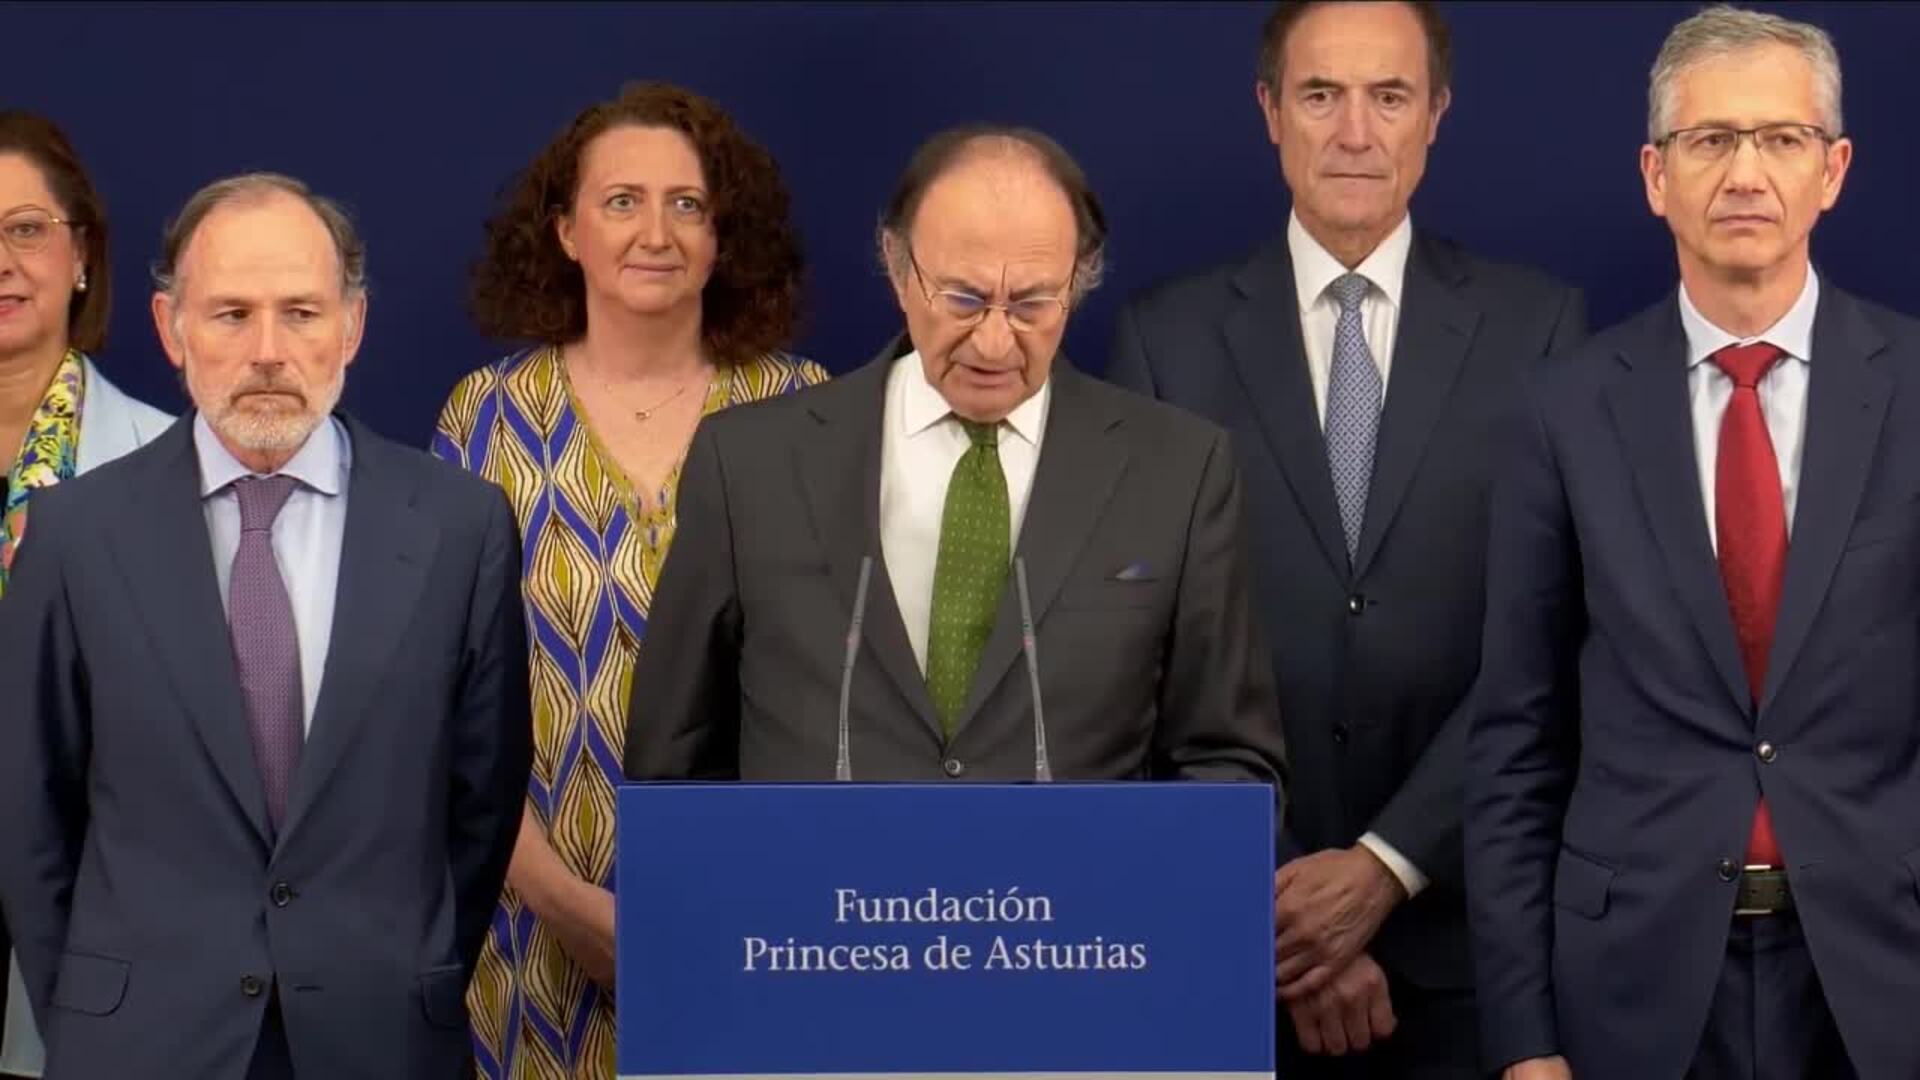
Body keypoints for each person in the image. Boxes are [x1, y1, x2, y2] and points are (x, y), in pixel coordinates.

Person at [1106, 3, 1583, 1075]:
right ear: (1271, 111)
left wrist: (1384, 866)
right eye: (1321, 94)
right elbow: (1139, 654)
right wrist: (1290, 918)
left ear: (1436, 114)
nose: (1355, 132)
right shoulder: (1164, 338)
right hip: (1235, 956)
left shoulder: (1540, 330)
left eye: (1390, 96)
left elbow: (1553, 642)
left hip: (1469, 956)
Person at [1466, 6, 1919, 1078]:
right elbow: (1517, 741)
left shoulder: (1914, 389)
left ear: (1833, 170)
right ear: (1656, 176)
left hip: (1881, 978)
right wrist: (1525, 1044)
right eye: (1711, 139)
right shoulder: (1564, 411)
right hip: (1634, 985)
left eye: (1782, 139)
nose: (1745, 173)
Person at [0, 172, 532, 1079]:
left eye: (302, 313)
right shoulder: (76, 533)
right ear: (171, 328)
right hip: (136, 1046)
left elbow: (480, 808)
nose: (269, 351)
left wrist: (399, 971)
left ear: (352, 326)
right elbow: (31, 814)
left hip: (380, 1040)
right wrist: (98, 1013)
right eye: (231, 314)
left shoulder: (459, 527)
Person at [623, 124, 1287, 796]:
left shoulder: (1178, 472)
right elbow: (672, 768)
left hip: (1070, 869)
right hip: (816, 868)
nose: (994, 343)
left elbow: (1228, 763)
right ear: (898, 267)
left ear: (1078, 283)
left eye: (1031, 303)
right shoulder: (749, 465)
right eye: (964, 299)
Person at [431, 81, 827, 1080]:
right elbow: (437, 706)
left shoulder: (808, 413)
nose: (657, 232)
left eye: (688, 204)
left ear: (724, 235)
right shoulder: (485, 420)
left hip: (764, 931)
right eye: (622, 202)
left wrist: (748, 902)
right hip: (535, 940)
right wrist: (565, 906)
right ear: (566, 231)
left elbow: (848, 691)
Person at [0, 110, 171, 1080]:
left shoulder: (172, 464)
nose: (3, 262)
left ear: (80, 256)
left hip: (96, 930)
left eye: (26, 229)